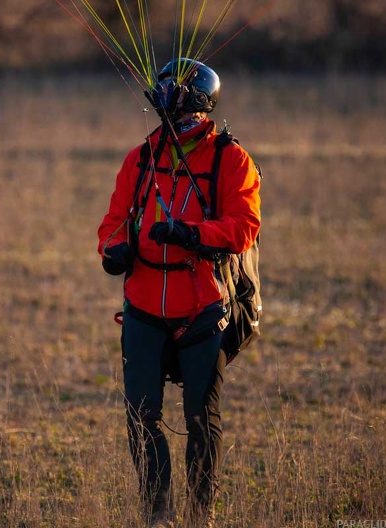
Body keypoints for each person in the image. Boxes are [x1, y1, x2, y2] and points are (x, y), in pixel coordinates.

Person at [97, 58, 261, 528]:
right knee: (140, 415)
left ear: (203, 112)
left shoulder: (231, 159)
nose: (179, 123)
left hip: (202, 309)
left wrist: (192, 235)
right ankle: (157, 514)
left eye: (186, 115)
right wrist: (114, 250)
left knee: (199, 417)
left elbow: (245, 226)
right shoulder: (141, 158)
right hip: (145, 307)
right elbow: (111, 222)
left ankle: (198, 515)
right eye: (174, 114)